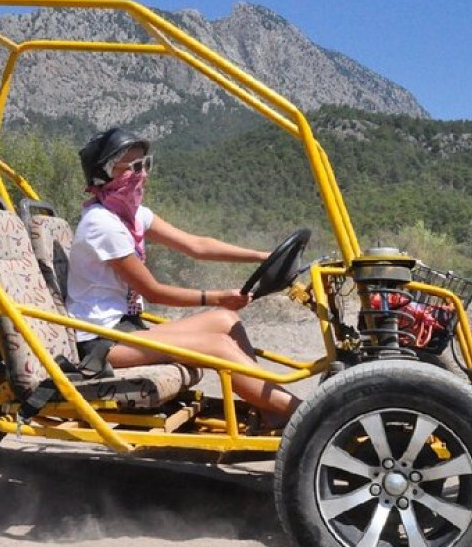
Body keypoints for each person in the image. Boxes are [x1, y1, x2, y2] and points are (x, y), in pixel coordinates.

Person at [65, 127, 301, 426]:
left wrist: (263, 256)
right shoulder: (102, 224)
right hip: (102, 342)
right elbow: (153, 292)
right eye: (135, 167)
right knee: (217, 345)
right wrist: (215, 296)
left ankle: (270, 408)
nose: (144, 175)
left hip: (126, 328)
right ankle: (303, 414)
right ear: (106, 174)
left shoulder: (134, 216)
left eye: (146, 164)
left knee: (227, 320)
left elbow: (196, 245)